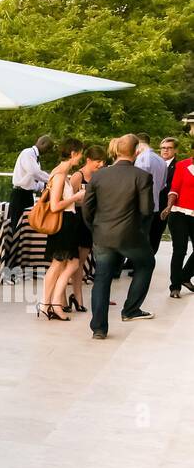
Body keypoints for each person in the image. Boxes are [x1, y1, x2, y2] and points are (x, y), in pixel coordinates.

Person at [83, 133, 155, 337]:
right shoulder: (142, 177)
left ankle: (98, 328)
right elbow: (147, 210)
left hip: (102, 234)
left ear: (116, 151)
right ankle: (131, 310)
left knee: (102, 279)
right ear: (136, 151)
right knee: (147, 263)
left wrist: (95, 228)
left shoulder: (99, 175)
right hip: (130, 236)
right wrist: (137, 230)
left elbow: (87, 209)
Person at [38, 140, 86, 322]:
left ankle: (52, 302)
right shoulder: (59, 175)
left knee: (69, 263)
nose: (80, 157)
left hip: (68, 222)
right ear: (73, 153)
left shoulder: (62, 173)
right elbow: (55, 205)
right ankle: (49, 303)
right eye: (80, 154)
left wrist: (75, 199)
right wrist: (76, 196)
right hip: (63, 223)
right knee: (59, 264)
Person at [68, 145, 107, 311]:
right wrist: (82, 200)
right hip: (75, 221)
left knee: (81, 262)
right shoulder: (78, 176)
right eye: (98, 161)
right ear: (88, 160)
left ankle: (77, 296)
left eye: (103, 162)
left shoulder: (100, 176)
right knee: (71, 263)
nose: (100, 165)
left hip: (90, 223)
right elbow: (67, 200)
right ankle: (67, 298)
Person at [165, 143, 194, 298]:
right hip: (179, 214)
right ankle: (175, 287)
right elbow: (174, 188)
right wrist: (168, 206)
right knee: (180, 250)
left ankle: (184, 276)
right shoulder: (182, 165)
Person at [10, 134, 53, 227]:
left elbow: (34, 181)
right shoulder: (28, 153)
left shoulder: (36, 158)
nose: (48, 152)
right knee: (16, 224)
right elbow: (35, 172)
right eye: (48, 148)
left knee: (26, 224)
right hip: (19, 194)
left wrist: (45, 186)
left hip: (28, 194)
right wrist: (52, 179)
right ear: (42, 143)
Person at [134, 134, 167, 253]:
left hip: (140, 205)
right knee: (145, 237)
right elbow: (163, 185)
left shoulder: (142, 159)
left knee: (138, 240)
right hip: (154, 204)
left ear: (139, 144)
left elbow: (137, 184)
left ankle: (140, 268)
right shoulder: (161, 160)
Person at [156, 137, 179, 274]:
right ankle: (131, 262)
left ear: (175, 150)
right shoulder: (153, 163)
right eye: (163, 147)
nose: (165, 150)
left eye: (169, 148)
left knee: (156, 235)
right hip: (149, 205)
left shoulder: (178, 167)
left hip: (166, 206)